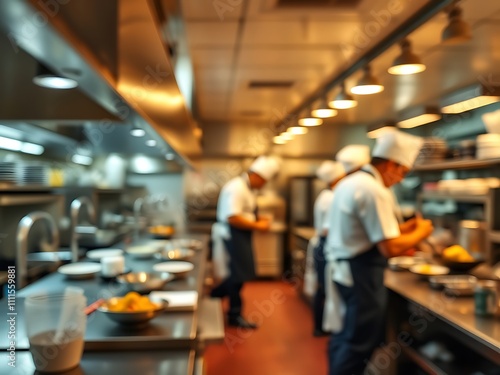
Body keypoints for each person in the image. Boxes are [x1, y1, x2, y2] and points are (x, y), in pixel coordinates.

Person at [325, 131, 434, 375]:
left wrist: (406, 229)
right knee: (358, 342)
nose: (399, 180)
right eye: (402, 173)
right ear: (391, 164)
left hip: (347, 269)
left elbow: (372, 231)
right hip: (360, 273)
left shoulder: (352, 182)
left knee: (346, 336)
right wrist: (422, 231)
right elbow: (390, 247)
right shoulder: (374, 190)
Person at [210, 155, 280, 329]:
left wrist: (258, 218)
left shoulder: (249, 189)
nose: (263, 185)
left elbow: (244, 212)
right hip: (232, 234)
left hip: (241, 234)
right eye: (263, 181)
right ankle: (231, 311)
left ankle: (219, 301)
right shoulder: (236, 188)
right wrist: (257, 225)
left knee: (240, 274)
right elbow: (233, 217)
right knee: (237, 275)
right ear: (256, 175)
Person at [310, 160, 345, 337]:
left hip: (322, 246)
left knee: (323, 288)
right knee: (325, 289)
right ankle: (320, 327)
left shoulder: (325, 195)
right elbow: (327, 229)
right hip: (326, 247)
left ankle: (321, 325)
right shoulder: (332, 198)